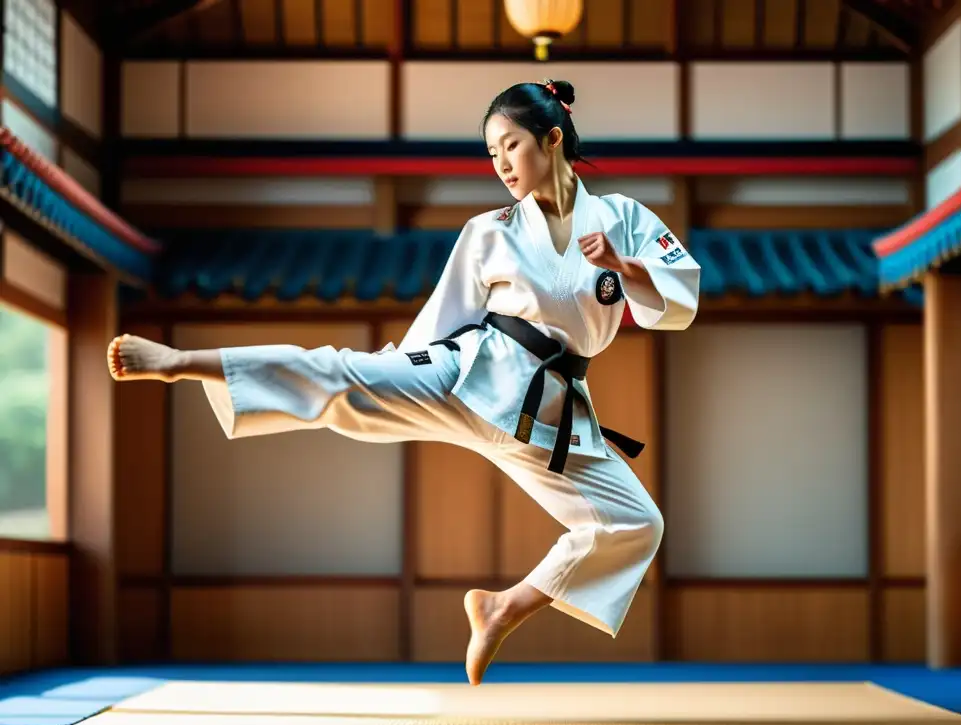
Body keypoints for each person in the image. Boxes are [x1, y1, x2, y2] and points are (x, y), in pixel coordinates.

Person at [107, 79, 701, 685]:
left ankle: (502, 608)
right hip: (474, 373)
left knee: (637, 522)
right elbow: (446, 316)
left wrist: (623, 267)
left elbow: (680, 300)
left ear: (552, 139)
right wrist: (400, 374)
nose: (500, 165)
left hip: (550, 414)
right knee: (343, 374)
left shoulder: (622, 218)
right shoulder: (490, 229)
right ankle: (182, 361)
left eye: (511, 146)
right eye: (491, 152)